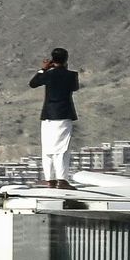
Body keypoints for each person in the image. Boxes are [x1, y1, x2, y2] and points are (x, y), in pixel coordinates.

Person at [30, 47, 81, 189]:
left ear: (53, 60)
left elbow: (33, 83)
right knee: (62, 149)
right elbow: (74, 87)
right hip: (63, 115)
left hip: (47, 116)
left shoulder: (48, 75)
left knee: (47, 148)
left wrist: (43, 69)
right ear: (66, 59)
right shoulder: (71, 75)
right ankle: (62, 180)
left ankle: (50, 179)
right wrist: (64, 68)